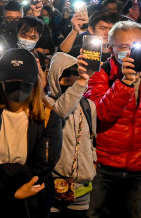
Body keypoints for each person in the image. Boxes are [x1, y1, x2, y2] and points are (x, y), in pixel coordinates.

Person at [0, 48, 63, 218]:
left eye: (23, 80)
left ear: (34, 82)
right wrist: (12, 194)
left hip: (32, 204)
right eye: (11, 79)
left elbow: (41, 168)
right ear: (1, 80)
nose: (17, 85)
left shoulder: (49, 117)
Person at [84, 20, 141, 218]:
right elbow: (101, 114)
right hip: (103, 166)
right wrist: (125, 82)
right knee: (92, 213)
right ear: (111, 49)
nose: (130, 52)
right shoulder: (100, 75)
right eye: (124, 47)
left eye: (136, 46)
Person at [47, 52, 97, 217]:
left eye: (75, 78)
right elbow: (61, 111)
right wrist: (82, 81)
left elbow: (91, 138)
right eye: (65, 79)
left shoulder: (89, 105)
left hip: (81, 187)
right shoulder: (46, 104)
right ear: (54, 78)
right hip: (53, 184)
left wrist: (92, 161)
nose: (71, 83)